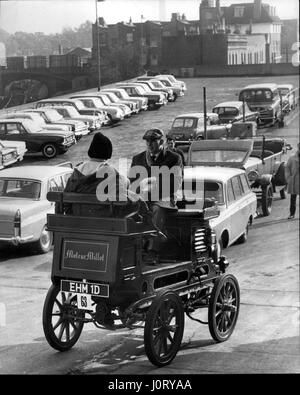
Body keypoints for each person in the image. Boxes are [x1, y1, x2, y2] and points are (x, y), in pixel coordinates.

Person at [128, 128, 183, 262]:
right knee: (128, 210)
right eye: (147, 141)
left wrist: (151, 189)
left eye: (153, 141)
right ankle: (131, 248)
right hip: (142, 198)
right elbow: (132, 183)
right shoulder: (138, 159)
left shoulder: (174, 158)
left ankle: (152, 251)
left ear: (162, 141)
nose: (149, 144)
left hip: (165, 198)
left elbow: (175, 183)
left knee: (156, 210)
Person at [285, 142, 299, 219]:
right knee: (293, 199)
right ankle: (292, 214)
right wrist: (288, 178)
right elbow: (287, 168)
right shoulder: (292, 157)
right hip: (294, 180)